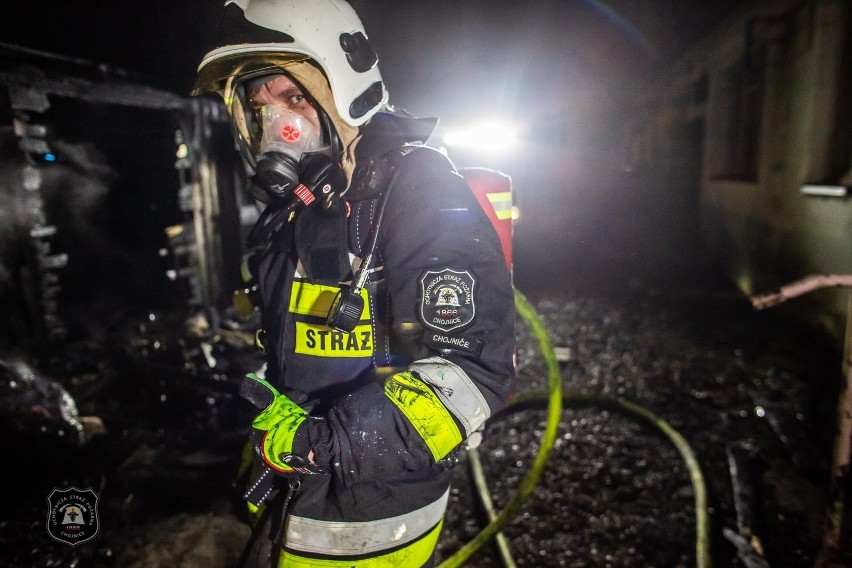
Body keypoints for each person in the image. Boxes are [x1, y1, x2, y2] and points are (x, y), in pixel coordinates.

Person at [191, 1, 516, 566]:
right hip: (296, 489)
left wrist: (323, 444)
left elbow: (473, 373)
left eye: (292, 97)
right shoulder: (303, 203)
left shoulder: (417, 190)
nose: (279, 126)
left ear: (343, 84)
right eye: (259, 105)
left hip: (373, 516)